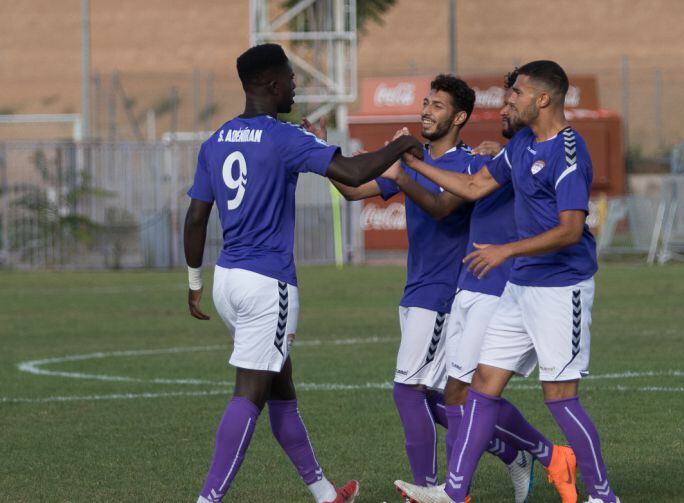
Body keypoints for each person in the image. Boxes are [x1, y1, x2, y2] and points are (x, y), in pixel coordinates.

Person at [183, 43, 423, 503]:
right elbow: (352, 174)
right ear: (272, 85)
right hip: (267, 285)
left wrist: (194, 283)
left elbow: (195, 218)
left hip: (226, 279)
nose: (296, 86)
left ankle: (326, 493)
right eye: (292, 79)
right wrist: (402, 144)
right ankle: (207, 499)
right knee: (249, 395)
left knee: (281, 387)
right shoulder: (283, 137)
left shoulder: (217, 140)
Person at [394, 61, 620, 503]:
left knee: (560, 398)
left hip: (561, 288)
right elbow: (474, 186)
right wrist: (414, 163)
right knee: (481, 386)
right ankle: (454, 492)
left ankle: (603, 495)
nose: (508, 99)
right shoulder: (519, 147)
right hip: (519, 287)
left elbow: (571, 229)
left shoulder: (569, 150)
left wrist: (506, 250)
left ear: (543, 99)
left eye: (516, 92)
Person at [328, 74, 536, 502]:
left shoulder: (469, 165)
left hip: (444, 291)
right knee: (450, 396)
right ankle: (517, 450)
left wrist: (405, 171)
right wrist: (317, 156)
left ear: (459, 117)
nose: (426, 110)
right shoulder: (414, 159)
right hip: (416, 289)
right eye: (426, 102)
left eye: (437, 105)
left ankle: (427, 488)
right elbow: (353, 190)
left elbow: (442, 209)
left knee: (409, 391)